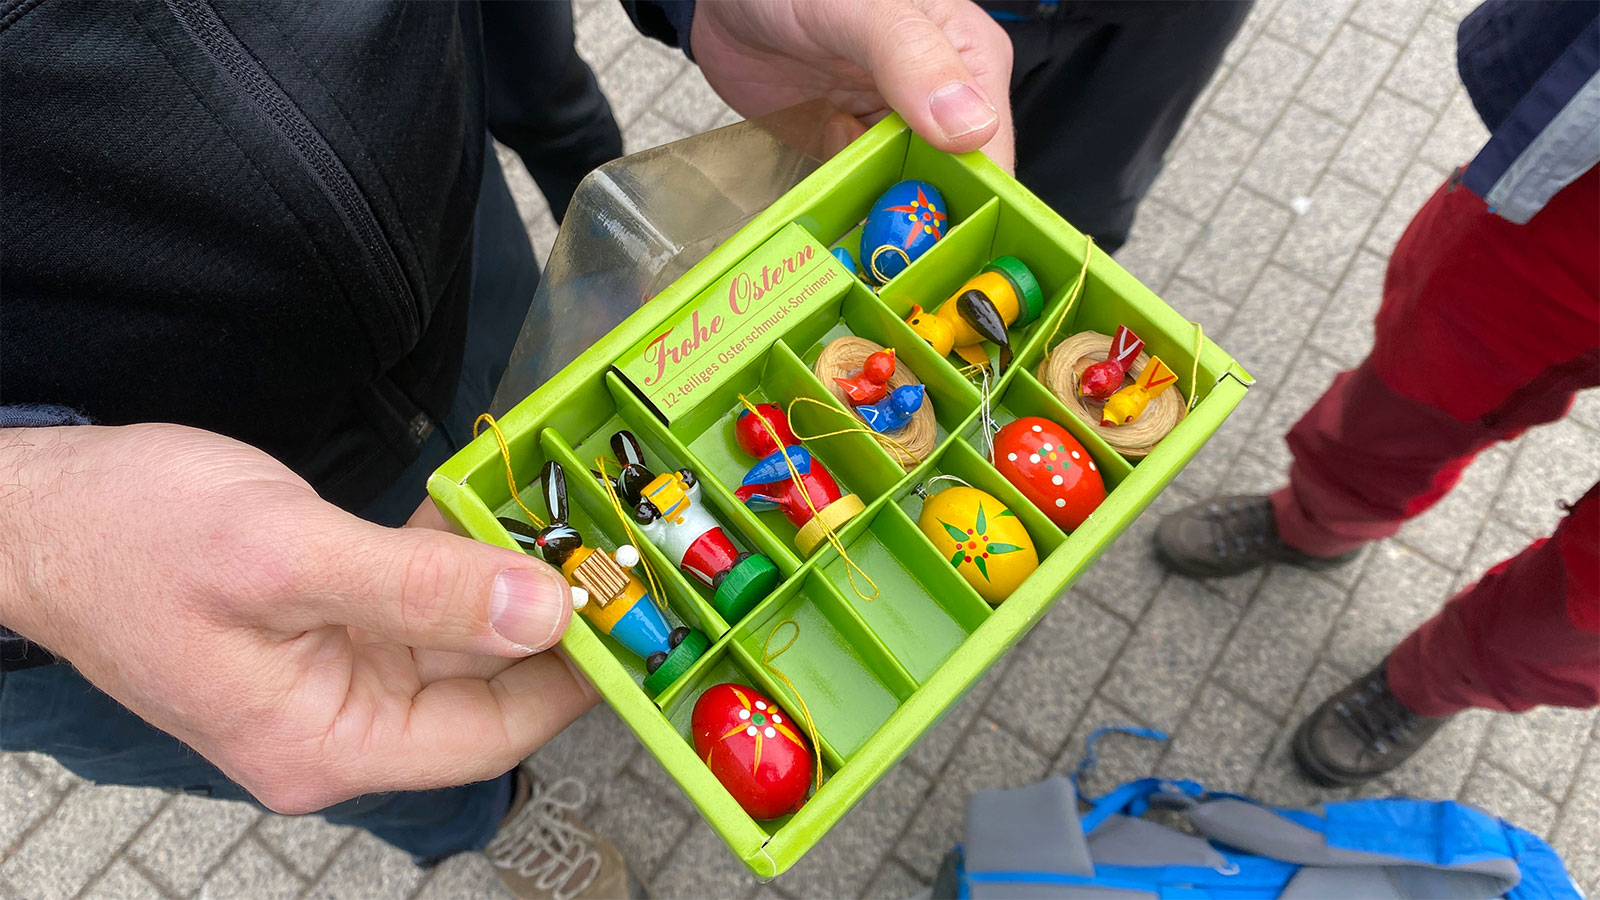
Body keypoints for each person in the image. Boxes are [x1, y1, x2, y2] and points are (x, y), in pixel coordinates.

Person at [0, 1, 1015, 897]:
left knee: (508, 565)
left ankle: (548, 701)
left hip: (459, 281)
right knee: (341, 737)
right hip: (105, 571)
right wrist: (25, 533)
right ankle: (483, 817)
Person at [1153, 0, 1599, 788]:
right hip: (1583, 206)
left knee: (1583, 617)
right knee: (1423, 371)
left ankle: (1435, 682)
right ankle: (1318, 523)